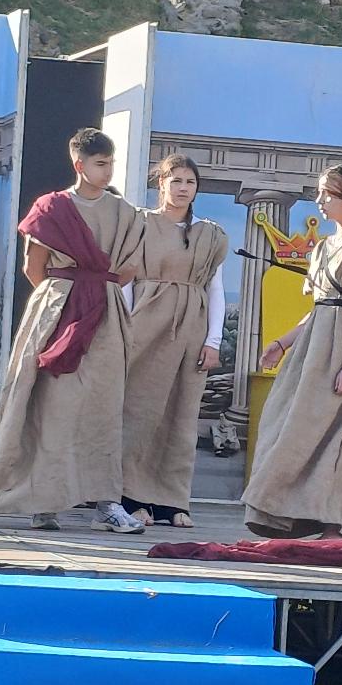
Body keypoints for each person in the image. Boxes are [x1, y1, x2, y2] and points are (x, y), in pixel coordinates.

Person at [0, 128, 146, 533]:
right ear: (79, 165)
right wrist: (64, 298)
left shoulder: (125, 213)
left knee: (104, 407)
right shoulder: (51, 208)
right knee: (52, 406)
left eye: (111, 163)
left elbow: (130, 268)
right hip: (56, 311)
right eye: (100, 164)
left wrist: (95, 289)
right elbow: (33, 267)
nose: (108, 171)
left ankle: (107, 503)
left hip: (105, 314)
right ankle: (43, 502)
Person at [241, 164, 342, 540]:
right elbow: (318, 309)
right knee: (287, 426)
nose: (320, 200)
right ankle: (283, 514)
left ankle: (333, 524)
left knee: (339, 437)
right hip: (313, 351)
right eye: (320, 192)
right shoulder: (321, 248)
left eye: (328, 192)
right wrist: (281, 343)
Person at [121, 155, 228, 529]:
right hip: (146, 324)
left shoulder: (210, 234)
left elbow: (215, 288)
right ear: (161, 183)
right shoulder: (140, 224)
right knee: (140, 410)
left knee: (181, 416)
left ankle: (171, 500)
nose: (183, 188)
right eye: (176, 180)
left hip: (191, 328)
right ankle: (131, 496)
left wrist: (213, 340)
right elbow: (126, 281)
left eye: (190, 182)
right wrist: (125, 327)